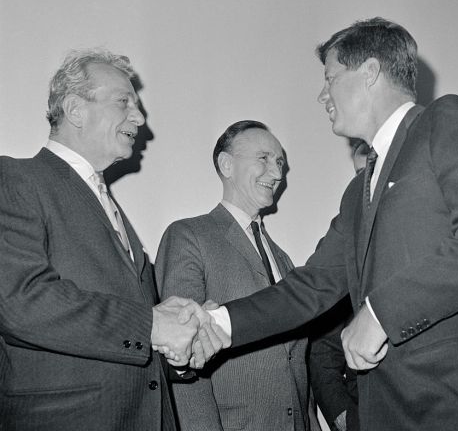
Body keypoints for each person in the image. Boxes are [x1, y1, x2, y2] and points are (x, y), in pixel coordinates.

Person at [178, 17, 458, 430]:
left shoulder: (444, 120)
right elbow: (309, 287)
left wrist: (380, 313)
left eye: (330, 78)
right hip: (386, 411)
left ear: (369, 72)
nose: (322, 94)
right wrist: (216, 322)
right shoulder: (356, 193)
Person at [0, 48, 221, 431]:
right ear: (74, 109)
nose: (140, 118)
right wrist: (151, 324)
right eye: (124, 102)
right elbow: (20, 301)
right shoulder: (15, 180)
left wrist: (181, 341)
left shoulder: (106, 203)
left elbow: (128, 332)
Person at [155, 120, 315, 431]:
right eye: (264, 158)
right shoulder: (189, 236)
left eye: (280, 162)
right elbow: (184, 352)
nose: (278, 173)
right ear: (226, 164)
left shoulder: (282, 258)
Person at [308, 139, 367, 431]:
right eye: (360, 174)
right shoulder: (341, 246)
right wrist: (344, 418)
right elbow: (323, 350)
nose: (367, 182)